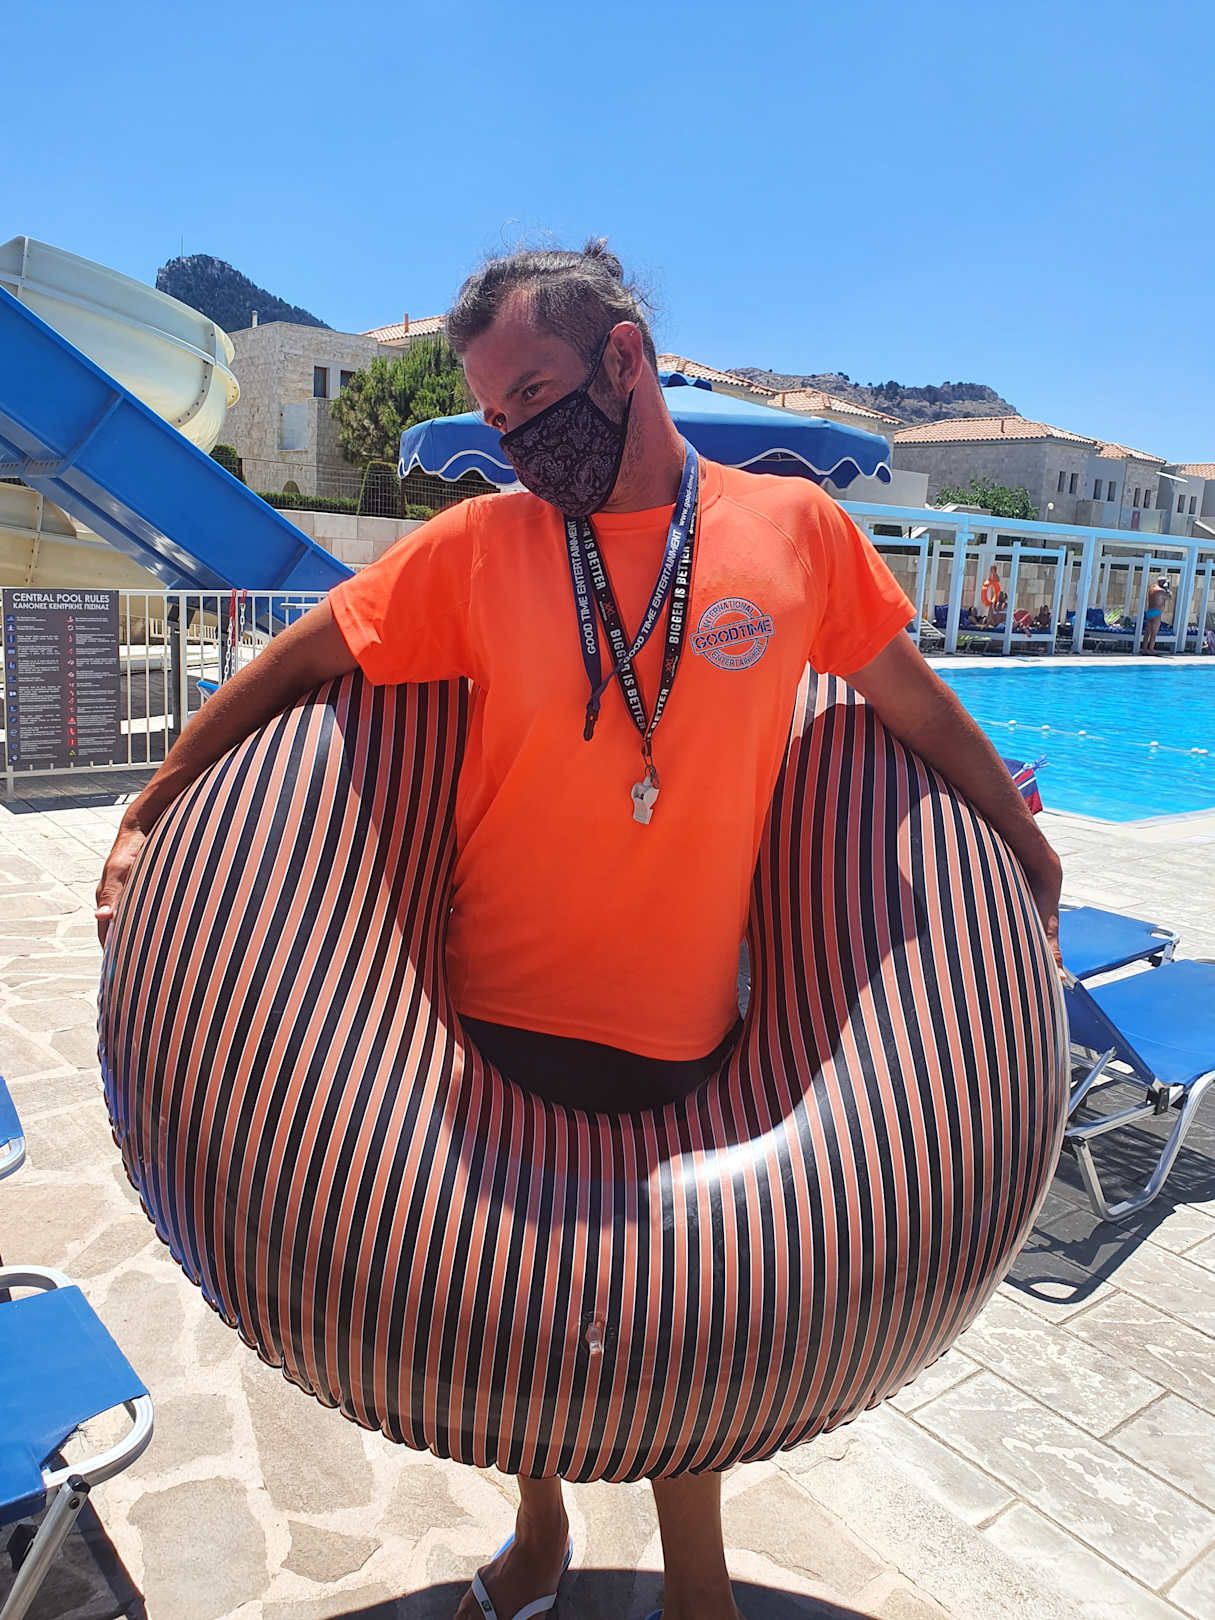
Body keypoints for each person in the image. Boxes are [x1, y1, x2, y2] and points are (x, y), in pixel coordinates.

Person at [95, 241, 1063, 1620]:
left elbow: (907, 700)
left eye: (534, 397)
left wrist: (1018, 837)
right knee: (523, 1312)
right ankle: (541, 1525)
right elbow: (305, 656)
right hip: (491, 1013)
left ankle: (696, 1582)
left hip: (682, 1019)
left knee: (689, 1309)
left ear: (623, 358)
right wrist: (154, 803)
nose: (515, 439)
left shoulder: (796, 534)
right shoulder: (482, 545)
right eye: (495, 417)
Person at [1142, 576, 1172, 654]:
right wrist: (1167, 588)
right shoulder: (1161, 591)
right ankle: (1151, 650)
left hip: (1149, 611)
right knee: (1154, 633)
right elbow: (1169, 597)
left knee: (1147, 632)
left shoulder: (1152, 588)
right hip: (1157, 613)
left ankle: (1144, 649)